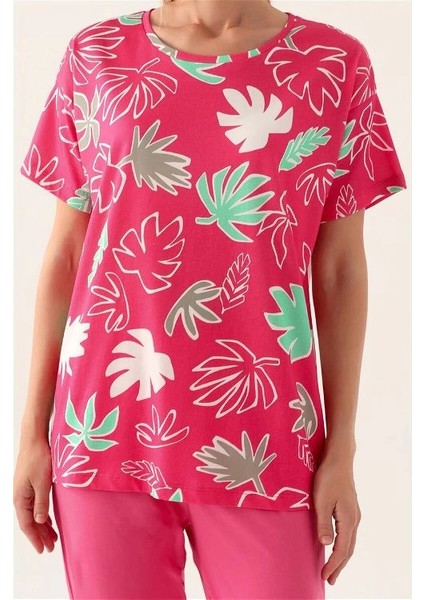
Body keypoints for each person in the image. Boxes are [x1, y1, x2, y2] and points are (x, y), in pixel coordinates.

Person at [14, 0, 408, 598]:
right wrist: (31, 434)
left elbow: (338, 271)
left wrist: (342, 447)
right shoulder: (96, 55)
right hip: (104, 433)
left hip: (267, 438)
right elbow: (68, 254)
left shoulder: (332, 63)